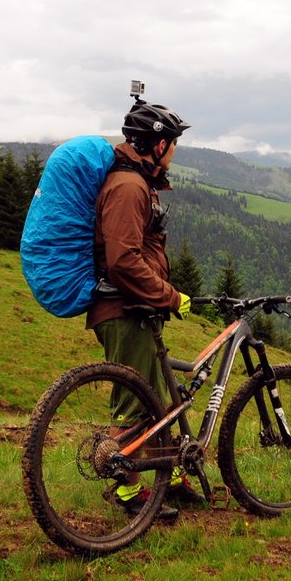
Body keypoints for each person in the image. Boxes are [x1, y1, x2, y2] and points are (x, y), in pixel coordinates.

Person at [87, 98, 200, 520]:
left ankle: (167, 477)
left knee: (156, 396)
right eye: (173, 144)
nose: (174, 153)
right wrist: (171, 296)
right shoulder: (129, 187)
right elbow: (123, 259)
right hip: (122, 307)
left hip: (135, 307)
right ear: (157, 144)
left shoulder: (137, 182)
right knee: (135, 402)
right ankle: (127, 490)